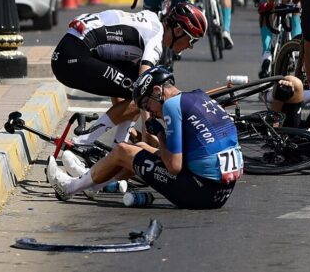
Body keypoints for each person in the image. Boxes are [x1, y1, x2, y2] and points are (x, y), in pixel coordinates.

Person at [48, 66, 241, 209]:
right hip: (222, 193)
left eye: (148, 106)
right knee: (139, 146)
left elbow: (174, 166)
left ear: (157, 91)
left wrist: (159, 132)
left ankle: (69, 188)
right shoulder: (199, 97)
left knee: (123, 150)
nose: (152, 113)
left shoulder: (171, 106)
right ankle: (93, 184)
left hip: (199, 192)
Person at [50, 3, 207, 147]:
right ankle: (83, 141)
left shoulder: (151, 19)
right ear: (178, 31)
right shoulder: (155, 39)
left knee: (133, 87)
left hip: (69, 50)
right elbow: (145, 88)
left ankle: (119, 145)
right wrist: (148, 129)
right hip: (73, 56)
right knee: (141, 92)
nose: (191, 47)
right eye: (192, 40)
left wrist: (127, 126)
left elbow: (119, 87)